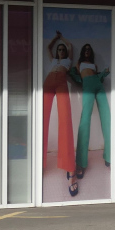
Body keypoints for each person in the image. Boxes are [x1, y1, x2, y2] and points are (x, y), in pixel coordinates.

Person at [69, 43, 111, 181]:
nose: (87, 50)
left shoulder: (94, 65)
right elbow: (75, 75)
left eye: (89, 49)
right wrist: (80, 80)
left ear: (91, 52)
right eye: (85, 49)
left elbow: (98, 77)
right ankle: (80, 162)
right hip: (87, 85)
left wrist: (104, 73)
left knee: (107, 118)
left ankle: (109, 156)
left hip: (98, 85)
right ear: (83, 51)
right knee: (85, 120)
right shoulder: (78, 63)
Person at [43, 32, 77, 195]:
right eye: (59, 49)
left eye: (63, 49)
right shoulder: (53, 60)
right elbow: (48, 47)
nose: (62, 51)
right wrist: (56, 39)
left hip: (61, 83)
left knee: (65, 122)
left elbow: (70, 46)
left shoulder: (67, 61)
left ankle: (70, 169)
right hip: (48, 82)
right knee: (41, 121)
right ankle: (39, 164)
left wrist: (62, 38)